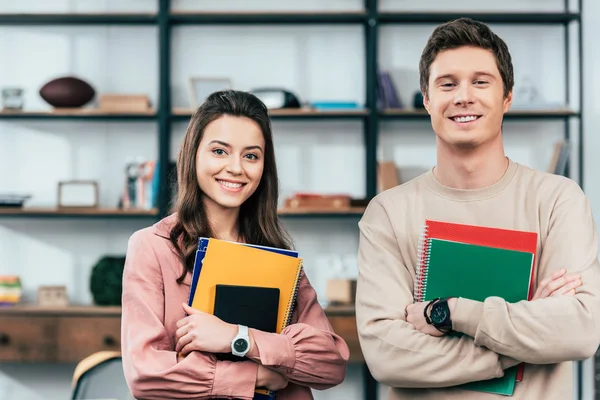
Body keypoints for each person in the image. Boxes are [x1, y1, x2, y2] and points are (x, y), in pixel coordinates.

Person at [355, 17, 600, 400]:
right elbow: (386, 357)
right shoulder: (388, 211)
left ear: (507, 97)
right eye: (447, 84)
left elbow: (580, 332)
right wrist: (524, 337)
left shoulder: (558, 200)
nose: (463, 96)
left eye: (480, 82)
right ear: (426, 99)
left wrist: (450, 313)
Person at [121, 90, 349, 399]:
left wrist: (237, 338)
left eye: (251, 155)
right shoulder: (153, 247)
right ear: (193, 155)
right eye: (219, 151)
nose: (236, 168)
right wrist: (259, 374)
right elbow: (145, 373)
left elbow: (330, 364)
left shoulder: (277, 254)